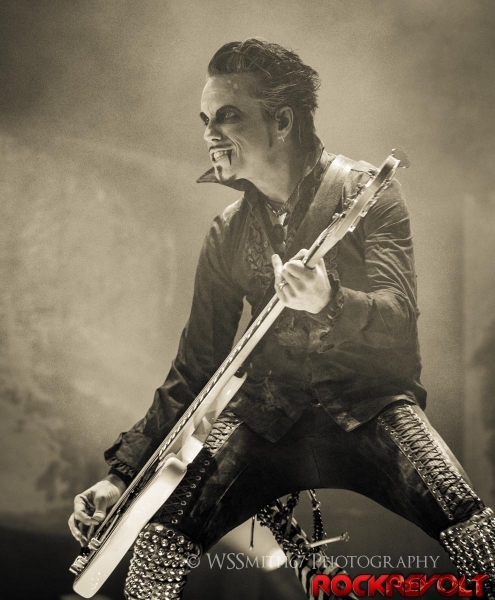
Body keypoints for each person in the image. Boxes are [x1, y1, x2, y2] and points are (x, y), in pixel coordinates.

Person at [69, 39, 495, 599]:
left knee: (480, 539)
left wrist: (330, 300)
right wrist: (121, 477)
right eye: (205, 120)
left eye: (228, 116)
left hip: (368, 406)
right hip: (267, 418)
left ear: (283, 122)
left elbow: (398, 321)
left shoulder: (370, 193)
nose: (210, 133)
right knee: (154, 556)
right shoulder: (226, 232)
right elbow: (196, 368)